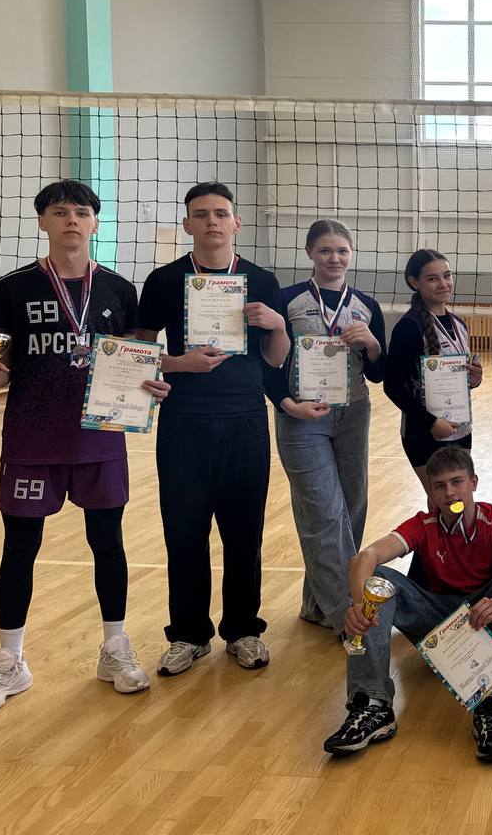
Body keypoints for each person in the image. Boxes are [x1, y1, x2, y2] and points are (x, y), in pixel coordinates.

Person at [0, 179, 168, 715]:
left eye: (81, 212)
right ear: (43, 222)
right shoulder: (13, 287)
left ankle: (115, 650)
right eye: (59, 212)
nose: (71, 220)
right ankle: (10, 662)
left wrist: (150, 384)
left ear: (95, 223)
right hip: (31, 438)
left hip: (99, 437)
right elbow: (4, 358)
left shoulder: (119, 290)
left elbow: (133, 359)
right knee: (19, 547)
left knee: (108, 542)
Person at [136, 181, 290, 676]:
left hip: (244, 420)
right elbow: (139, 352)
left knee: (244, 533)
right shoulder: (164, 280)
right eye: (200, 214)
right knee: (184, 533)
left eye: (220, 214)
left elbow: (275, 359)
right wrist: (179, 364)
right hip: (183, 422)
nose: (211, 222)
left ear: (235, 223)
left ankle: (243, 630)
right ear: (187, 224)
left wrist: (278, 325)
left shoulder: (261, 280)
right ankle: (188, 635)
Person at [327, 446, 492, 763]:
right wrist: (359, 605)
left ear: (473, 483)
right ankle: (373, 705)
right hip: (437, 621)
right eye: (440, 486)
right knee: (377, 580)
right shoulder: (424, 524)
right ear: (431, 492)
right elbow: (366, 557)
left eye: (457, 482)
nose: (450, 493)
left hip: (483, 619)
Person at [266, 219, 386, 632]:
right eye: (325, 251)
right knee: (323, 513)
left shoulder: (366, 305)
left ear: (351, 254)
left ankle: (316, 604)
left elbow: (378, 373)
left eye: (342, 251)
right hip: (303, 416)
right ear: (310, 253)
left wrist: (372, 343)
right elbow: (267, 362)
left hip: (353, 412)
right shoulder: (287, 300)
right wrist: (287, 405)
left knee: (351, 509)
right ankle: (347, 617)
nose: (334, 258)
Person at [384, 249, 483, 502]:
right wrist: (430, 421)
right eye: (432, 278)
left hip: (460, 427)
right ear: (414, 282)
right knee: (443, 502)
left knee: (459, 501)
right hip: (424, 432)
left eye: (447, 276)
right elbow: (393, 385)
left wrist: (473, 379)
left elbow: (455, 379)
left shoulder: (458, 324)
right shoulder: (409, 327)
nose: (443, 284)